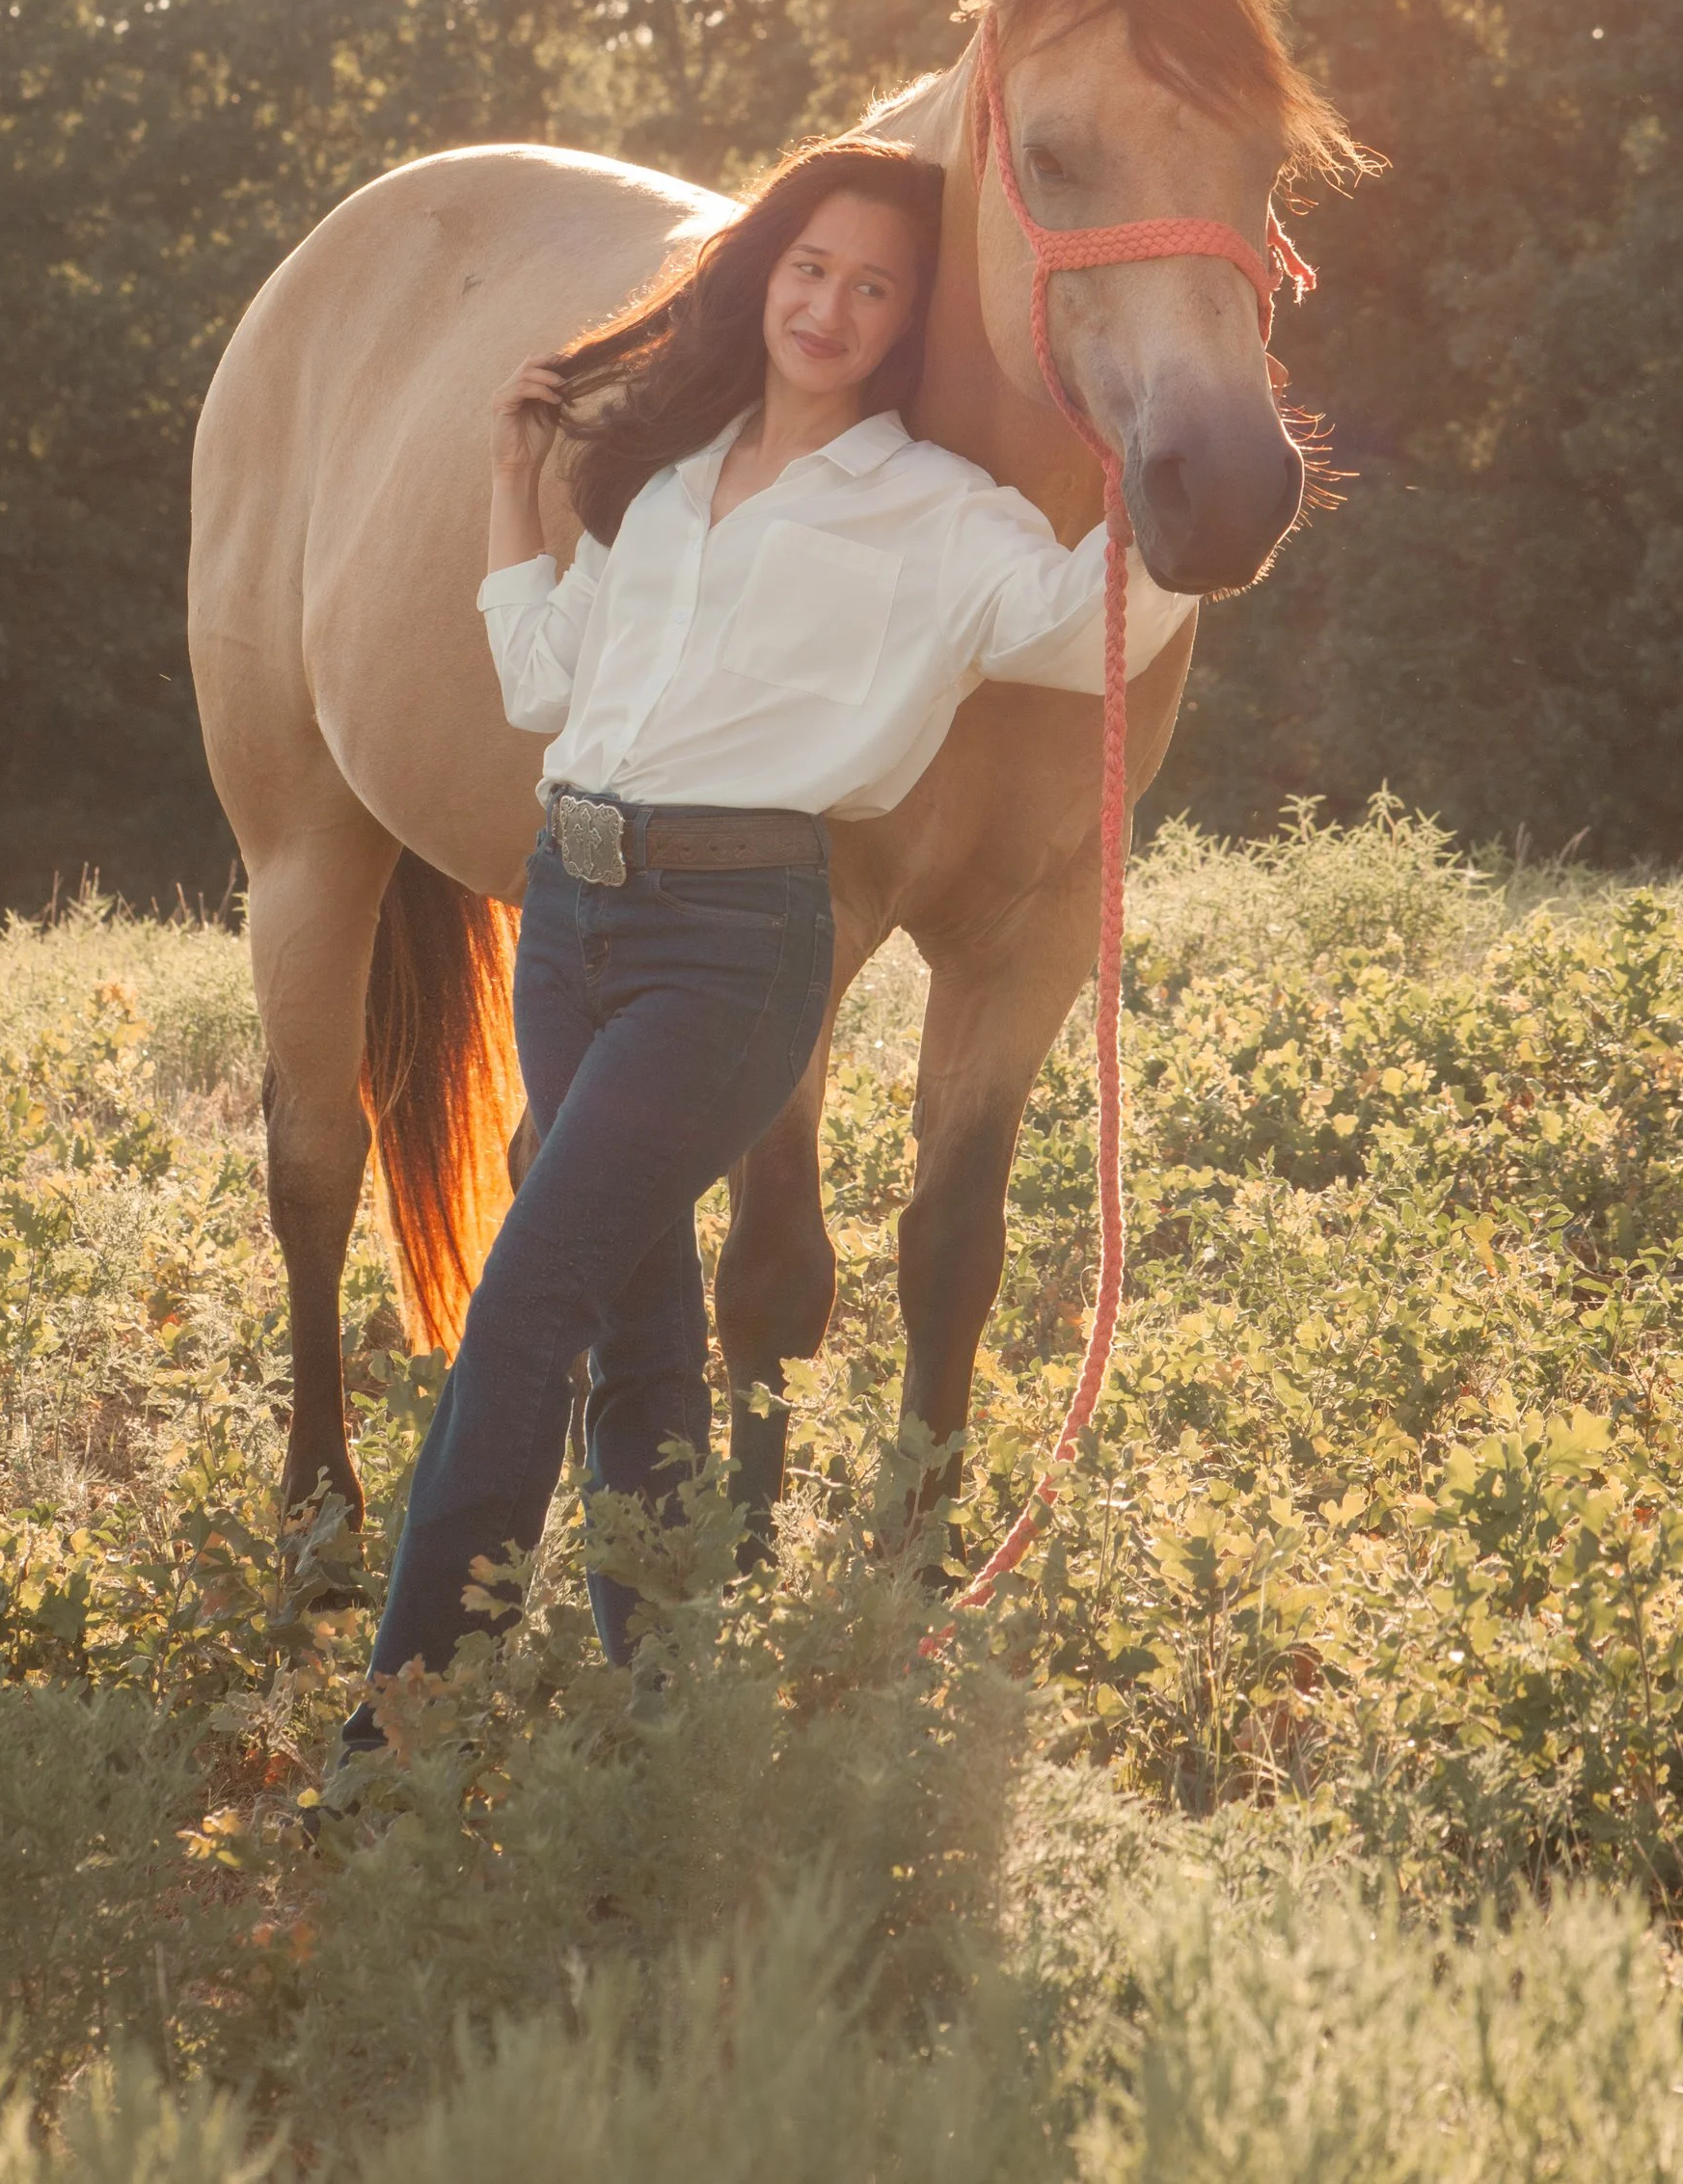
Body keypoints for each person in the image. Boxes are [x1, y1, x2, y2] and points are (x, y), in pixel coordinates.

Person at [330, 132, 1192, 1782]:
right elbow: (542, 684)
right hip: (570, 917)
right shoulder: (667, 484)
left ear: (902, 323)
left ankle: (405, 1727)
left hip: (733, 943)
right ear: (766, 276)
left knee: (525, 1303)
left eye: (875, 287)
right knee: (640, 1337)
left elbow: (1118, 612)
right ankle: (672, 1706)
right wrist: (514, 487)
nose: (830, 303)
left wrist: (1203, 440)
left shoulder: (938, 515)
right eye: (810, 267)